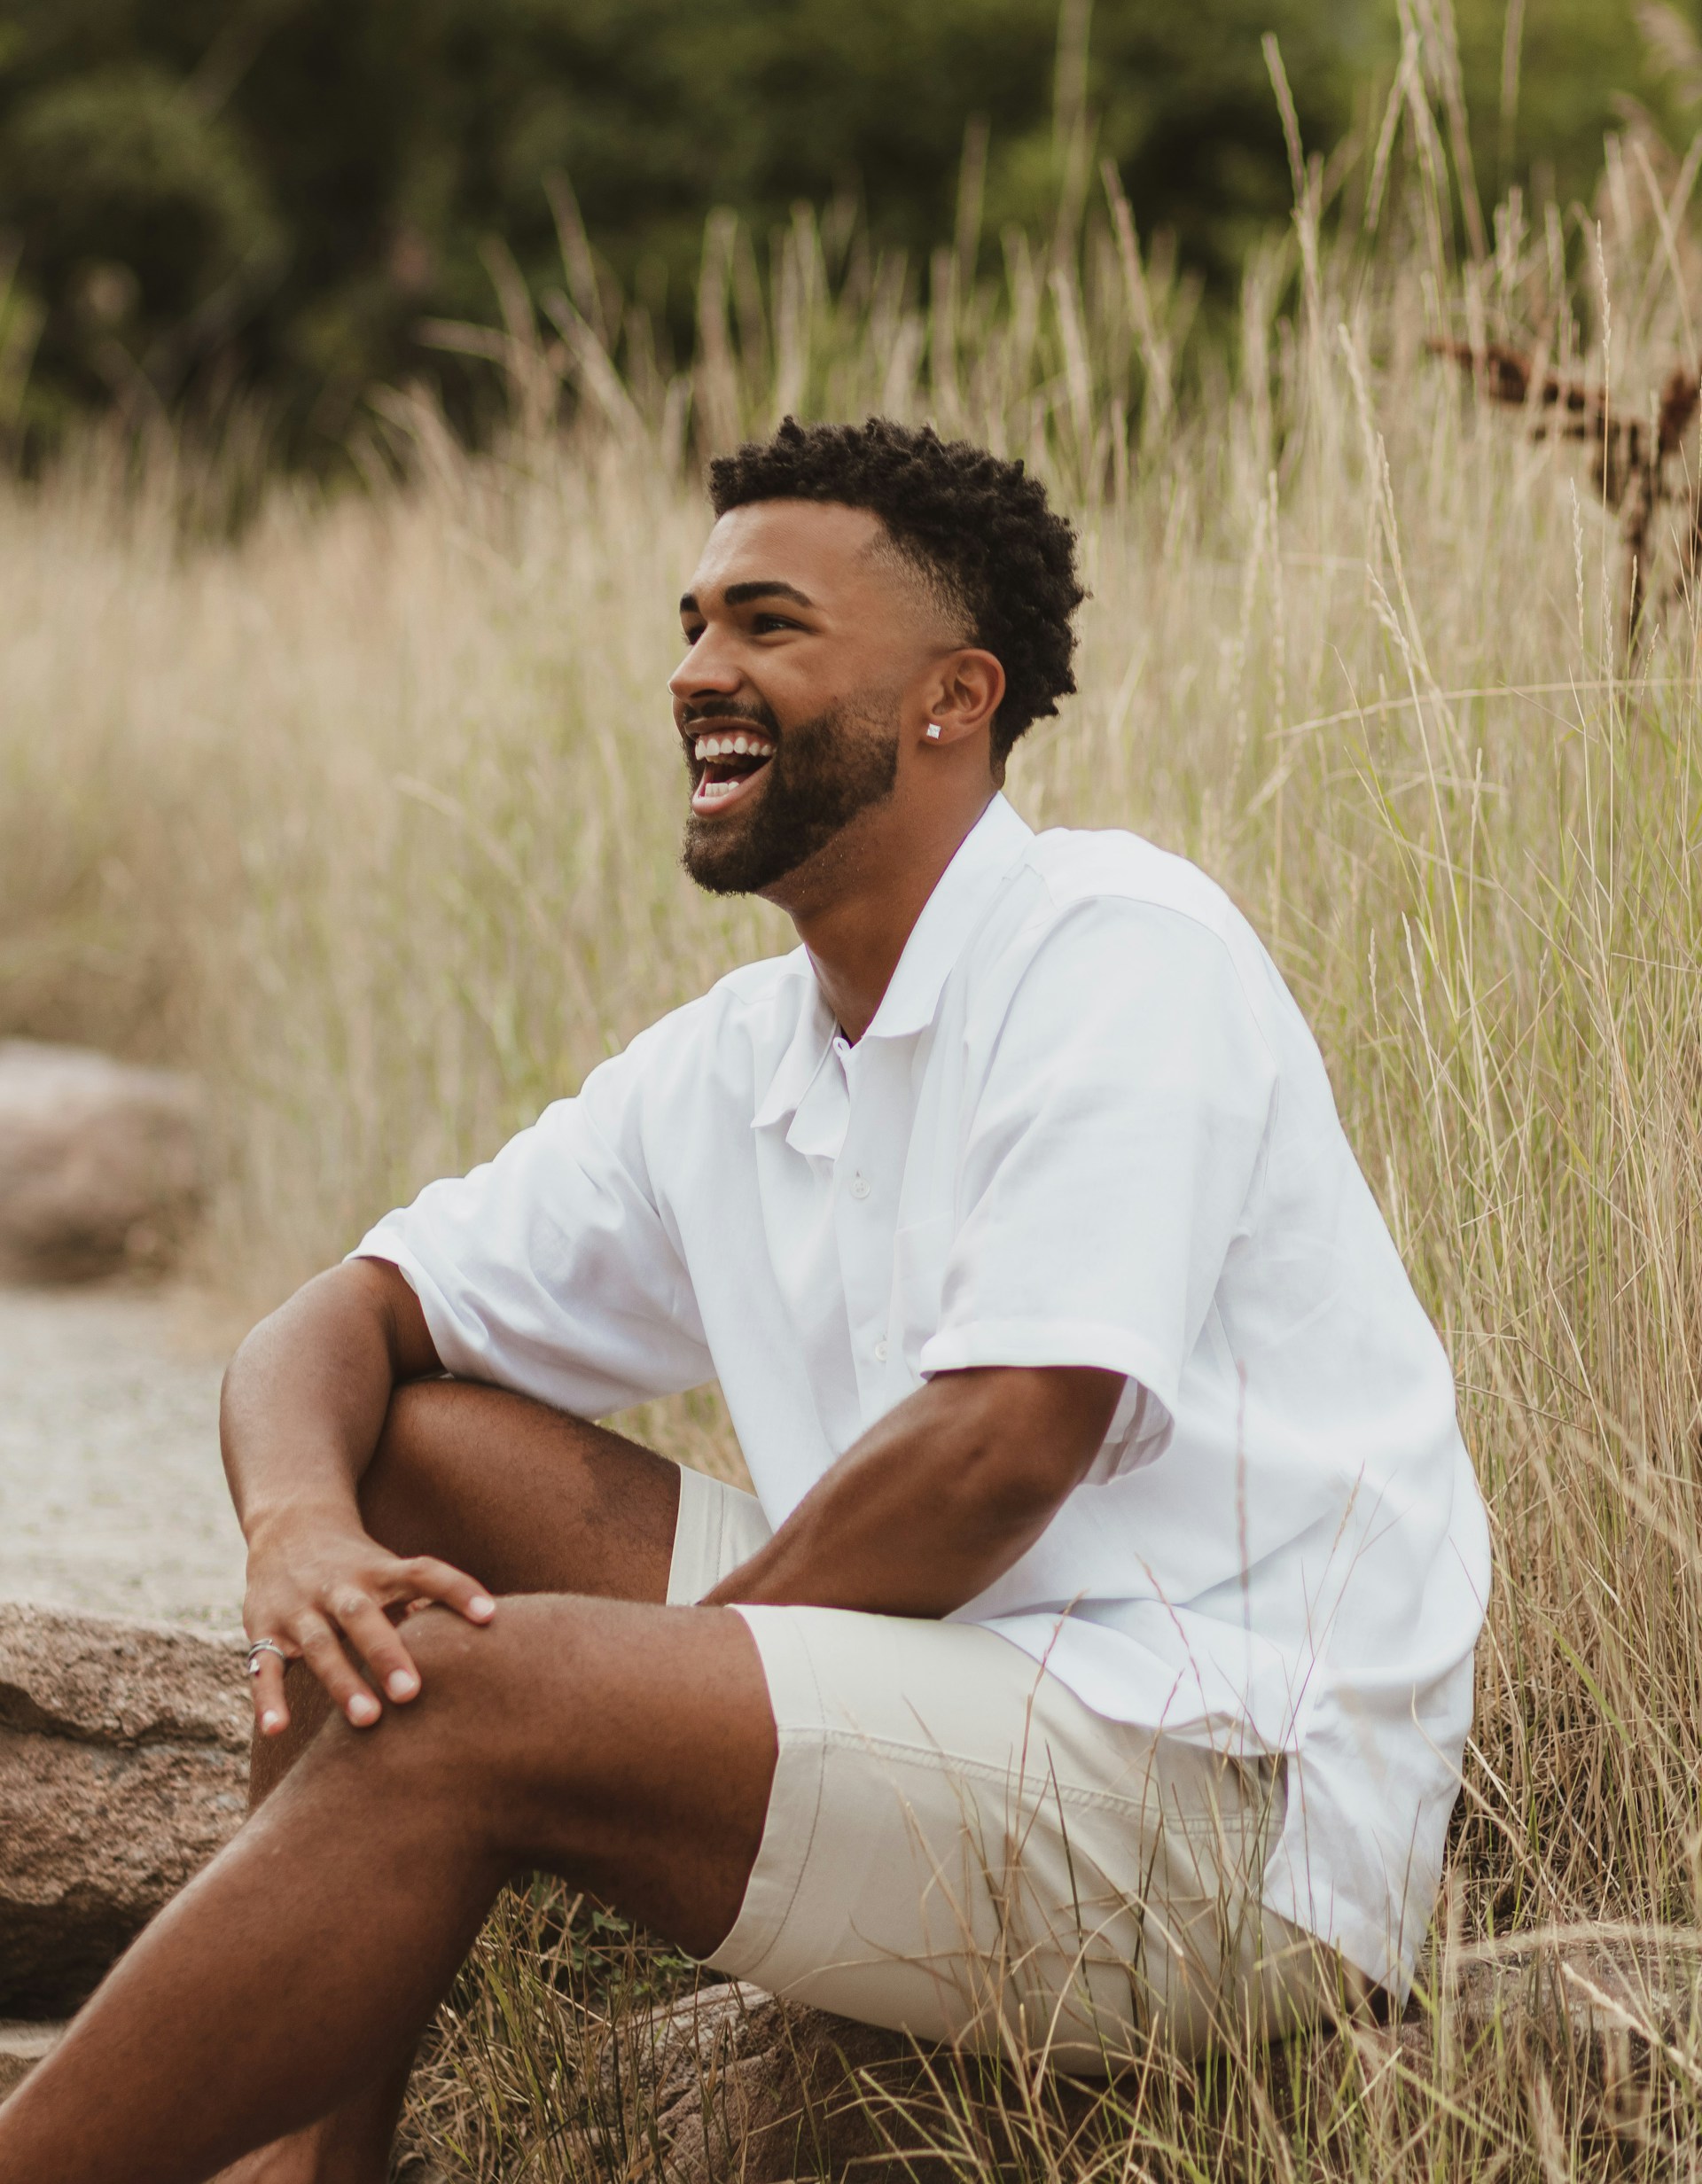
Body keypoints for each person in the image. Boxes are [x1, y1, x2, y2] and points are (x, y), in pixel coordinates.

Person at [0, 417, 1489, 2184]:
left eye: (769, 627)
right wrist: (301, 1531)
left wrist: (632, 1703)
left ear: (954, 696)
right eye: (696, 623)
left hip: (1215, 1824)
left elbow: (1004, 1449)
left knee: (485, 1690)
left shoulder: (1118, 953)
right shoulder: (741, 1060)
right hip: (957, 1698)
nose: (700, 671)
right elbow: (343, 1319)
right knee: (411, 1459)